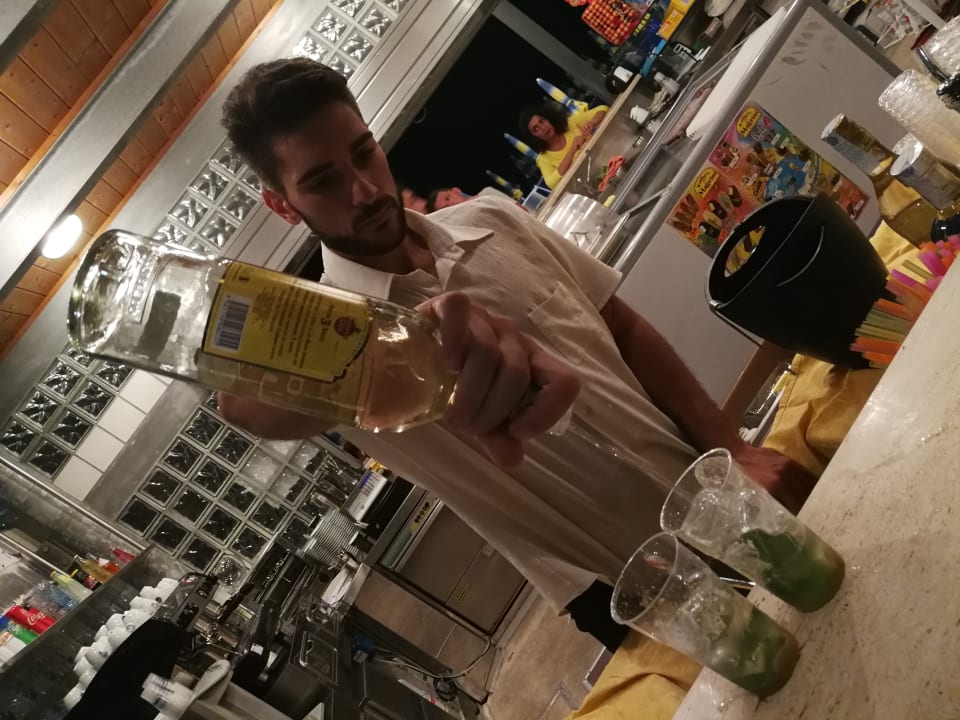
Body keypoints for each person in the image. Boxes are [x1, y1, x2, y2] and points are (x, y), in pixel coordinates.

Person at [220, 58, 816, 652]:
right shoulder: (332, 344)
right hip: (629, 587)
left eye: (363, 152)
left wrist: (732, 448)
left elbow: (621, 325)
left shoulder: (493, 219)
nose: (364, 190)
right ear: (283, 205)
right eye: (322, 182)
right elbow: (241, 404)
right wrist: (400, 345)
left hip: (719, 494)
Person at [519, 101, 609, 189]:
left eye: (542, 121)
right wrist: (572, 149)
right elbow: (552, 184)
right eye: (536, 129)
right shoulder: (543, 159)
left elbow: (602, 109)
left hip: (606, 158)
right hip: (589, 185)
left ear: (548, 118)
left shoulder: (569, 124)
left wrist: (591, 124)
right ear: (533, 137)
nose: (543, 128)